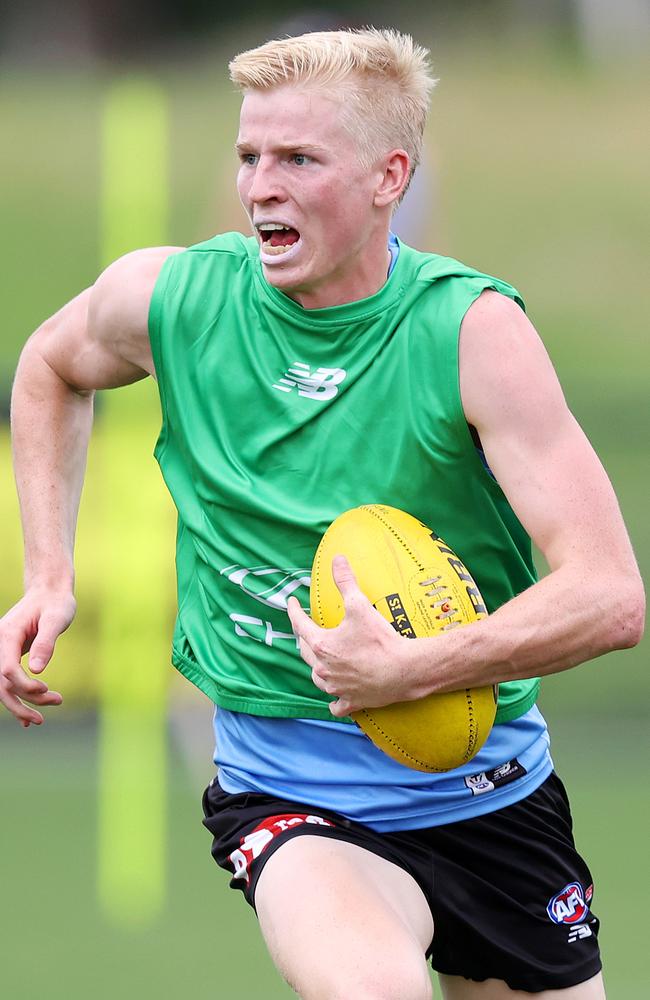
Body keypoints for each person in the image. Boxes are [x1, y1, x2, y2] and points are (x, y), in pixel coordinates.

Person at [0, 27, 644, 1000]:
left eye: (298, 158)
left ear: (390, 177)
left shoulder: (470, 335)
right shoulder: (176, 298)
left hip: (489, 791)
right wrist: (48, 570)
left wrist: (415, 667)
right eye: (250, 156)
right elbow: (49, 365)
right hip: (289, 791)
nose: (261, 185)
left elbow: (608, 596)